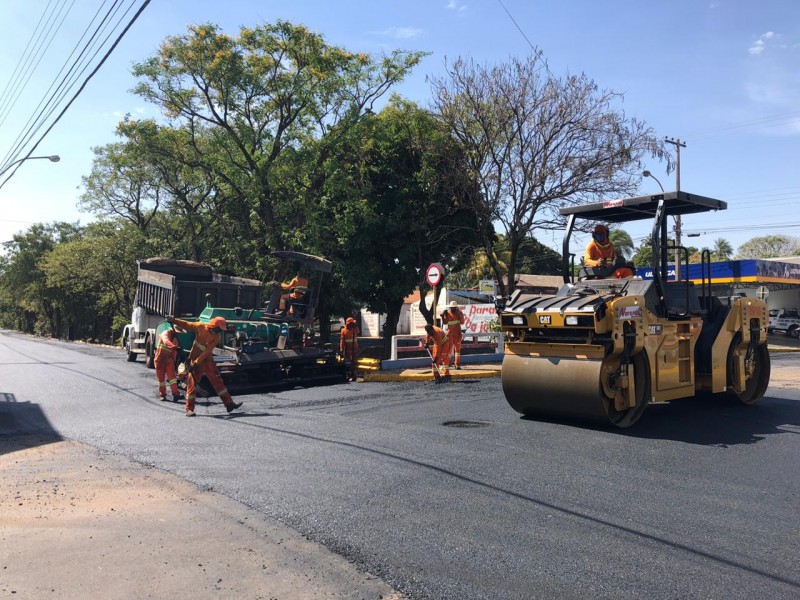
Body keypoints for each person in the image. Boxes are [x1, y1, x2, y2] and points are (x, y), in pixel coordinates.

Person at [166, 315, 242, 417]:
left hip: (206, 361)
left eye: (221, 329)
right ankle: (189, 409)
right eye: (219, 329)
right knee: (192, 385)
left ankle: (229, 404)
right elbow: (186, 325)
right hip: (195, 359)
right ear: (213, 325)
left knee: (218, 381)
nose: (220, 331)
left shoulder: (217, 337)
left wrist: (196, 363)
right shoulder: (200, 327)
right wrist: (174, 320)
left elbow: (206, 352)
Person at [154, 327, 184, 402]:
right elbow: (166, 341)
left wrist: (175, 363)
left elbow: (174, 353)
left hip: (169, 360)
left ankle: (176, 394)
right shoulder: (165, 333)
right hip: (160, 359)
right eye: (178, 333)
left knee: (173, 379)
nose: (178, 334)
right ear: (173, 331)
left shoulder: (175, 339)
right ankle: (162, 395)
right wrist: (175, 347)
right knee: (161, 380)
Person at [442, 301, 467, 369]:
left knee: (457, 351)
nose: (453, 309)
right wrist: (442, 316)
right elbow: (445, 323)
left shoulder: (459, 313)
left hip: (458, 334)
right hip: (450, 334)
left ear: (456, 308)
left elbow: (462, 322)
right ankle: (448, 363)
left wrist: (460, 315)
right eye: (452, 308)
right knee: (449, 350)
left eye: (454, 308)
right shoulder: (447, 313)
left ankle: (457, 364)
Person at [339, 317, 360, 381]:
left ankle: (354, 374)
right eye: (351, 323)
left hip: (355, 349)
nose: (352, 324)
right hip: (348, 350)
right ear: (348, 324)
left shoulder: (354, 329)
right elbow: (342, 341)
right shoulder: (343, 331)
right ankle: (349, 375)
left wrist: (355, 326)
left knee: (354, 363)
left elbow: (358, 331)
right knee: (348, 363)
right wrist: (341, 350)